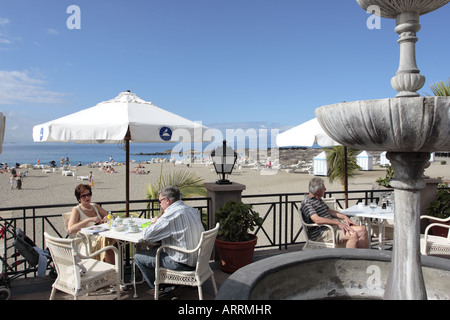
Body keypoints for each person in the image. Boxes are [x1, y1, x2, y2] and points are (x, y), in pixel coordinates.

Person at [134, 186, 205, 293]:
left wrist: (154, 223)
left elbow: (147, 236)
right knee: (156, 248)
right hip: (198, 260)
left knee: (138, 257)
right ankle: (171, 284)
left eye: (160, 201)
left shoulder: (172, 214)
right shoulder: (191, 210)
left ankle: (159, 288)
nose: (160, 205)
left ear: (167, 200)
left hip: (182, 263)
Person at [300, 177, 369, 249]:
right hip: (321, 233)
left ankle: (364, 258)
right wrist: (337, 222)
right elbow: (317, 219)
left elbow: (330, 211)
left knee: (362, 230)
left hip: (332, 228)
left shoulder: (318, 199)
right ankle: (350, 259)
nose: (325, 189)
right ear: (317, 191)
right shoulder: (307, 203)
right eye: (324, 188)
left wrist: (345, 217)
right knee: (353, 235)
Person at [67, 184, 115, 263]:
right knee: (109, 246)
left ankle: (114, 270)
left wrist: (105, 219)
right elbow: (70, 229)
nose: (87, 197)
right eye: (84, 196)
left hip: (101, 235)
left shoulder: (94, 206)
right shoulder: (77, 210)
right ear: (79, 198)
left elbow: (109, 216)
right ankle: (110, 271)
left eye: (88, 195)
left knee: (114, 243)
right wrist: (89, 220)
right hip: (87, 241)